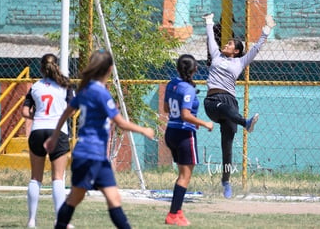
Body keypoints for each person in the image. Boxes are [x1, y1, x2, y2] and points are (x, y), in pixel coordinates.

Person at [44, 50, 155, 229]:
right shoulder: (100, 93)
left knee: (113, 198)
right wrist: (143, 129)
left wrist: (55, 135)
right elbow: (120, 122)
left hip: (97, 157)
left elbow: (67, 112)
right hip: (89, 154)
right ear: (110, 69)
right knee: (75, 197)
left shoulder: (86, 89)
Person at [202, 12, 276, 199]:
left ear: (236, 51)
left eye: (229, 44)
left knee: (227, 148)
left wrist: (267, 29)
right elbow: (211, 39)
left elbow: (257, 48)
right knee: (225, 110)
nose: (225, 44)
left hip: (230, 101)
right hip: (213, 101)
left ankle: (226, 182)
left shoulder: (240, 62)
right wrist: (209, 21)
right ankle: (246, 123)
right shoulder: (217, 56)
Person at [21, 53, 74, 228]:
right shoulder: (65, 85)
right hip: (57, 131)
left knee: (35, 178)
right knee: (57, 178)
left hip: (37, 130)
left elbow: (24, 112)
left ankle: (31, 220)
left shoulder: (35, 87)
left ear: (41, 69)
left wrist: (37, 115)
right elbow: (72, 110)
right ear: (57, 67)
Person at [164, 54, 213, 226]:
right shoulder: (188, 89)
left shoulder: (171, 84)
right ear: (194, 70)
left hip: (171, 131)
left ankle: (178, 210)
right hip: (184, 134)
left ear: (178, 68)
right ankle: (172, 214)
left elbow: (166, 108)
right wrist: (204, 122)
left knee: (182, 175)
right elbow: (186, 115)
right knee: (185, 177)